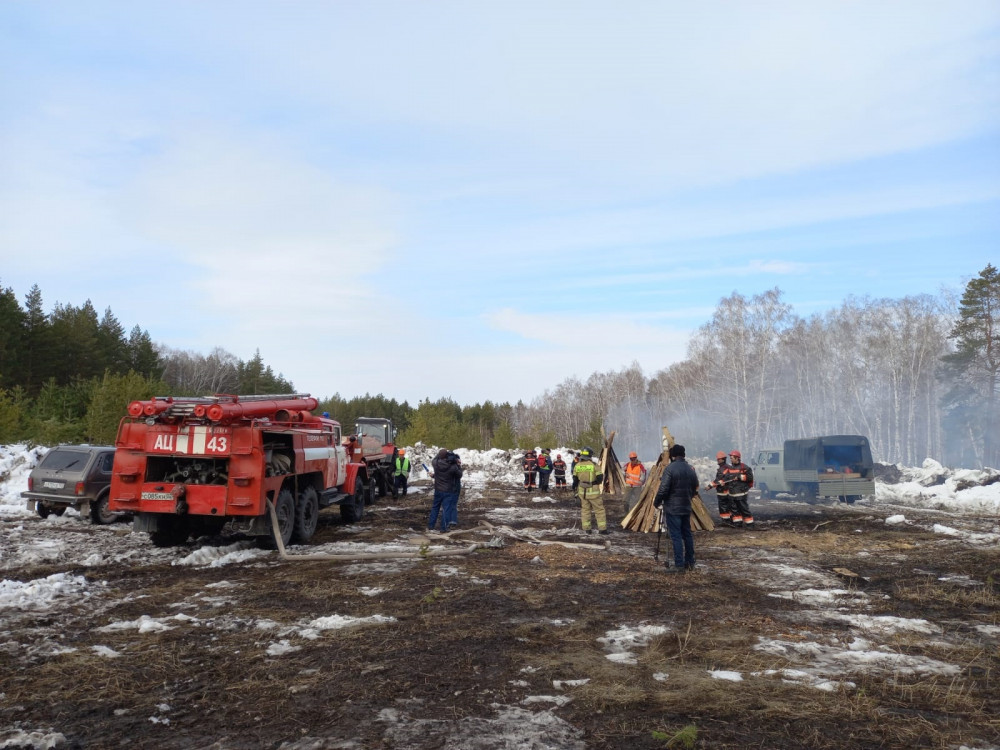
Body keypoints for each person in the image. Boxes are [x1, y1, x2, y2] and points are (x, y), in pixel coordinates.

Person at [653, 444, 699, 572]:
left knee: (676, 536)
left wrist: (657, 502)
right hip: (686, 506)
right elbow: (695, 487)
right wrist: (688, 497)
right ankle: (690, 562)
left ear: (673, 456)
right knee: (687, 534)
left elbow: (663, 489)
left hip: (673, 508)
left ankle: (679, 565)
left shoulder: (670, 469)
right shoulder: (690, 469)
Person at [573, 448, 608, 534]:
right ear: (590, 455)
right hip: (593, 492)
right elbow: (600, 479)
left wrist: (575, 491)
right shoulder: (594, 465)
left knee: (585, 510)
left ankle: (587, 529)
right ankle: (602, 529)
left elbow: (575, 480)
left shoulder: (577, 465)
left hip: (582, 492)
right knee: (599, 510)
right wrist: (594, 482)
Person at [428, 449, 463, 532]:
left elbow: (435, 458)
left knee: (435, 508)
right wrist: (458, 465)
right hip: (448, 491)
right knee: (446, 509)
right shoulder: (452, 467)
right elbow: (459, 475)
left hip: (438, 489)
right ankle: (443, 528)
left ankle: (431, 526)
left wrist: (442, 454)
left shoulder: (435, 463)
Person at [721, 450, 754, 527]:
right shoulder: (729, 468)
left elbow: (750, 478)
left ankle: (750, 524)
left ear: (737, 458)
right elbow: (726, 478)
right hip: (732, 494)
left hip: (741, 493)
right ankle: (737, 523)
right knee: (734, 510)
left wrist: (739, 477)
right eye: (730, 458)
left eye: (732, 458)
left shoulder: (745, 467)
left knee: (744, 509)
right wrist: (723, 482)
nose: (731, 459)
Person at [706, 451, 732, 523]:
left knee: (723, 506)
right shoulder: (728, 467)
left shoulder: (722, 469)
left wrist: (709, 486)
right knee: (728, 505)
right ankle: (730, 519)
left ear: (723, 459)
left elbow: (718, 480)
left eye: (718, 459)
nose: (717, 460)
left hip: (723, 491)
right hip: (728, 491)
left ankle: (726, 520)